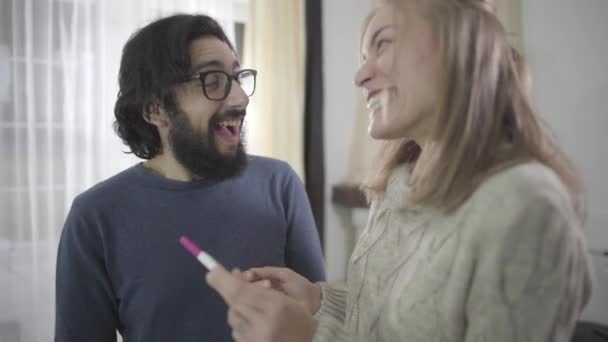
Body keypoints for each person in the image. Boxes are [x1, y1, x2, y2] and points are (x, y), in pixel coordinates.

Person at [206, 0, 593, 341]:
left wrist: (308, 339)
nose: (360, 77)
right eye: (362, 57)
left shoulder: (523, 207)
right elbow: (385, 318)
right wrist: (317, 298)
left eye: (383, 44)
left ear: (457, 45)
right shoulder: (398, 185)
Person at [54, 14, 325, 342]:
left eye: (237, 77)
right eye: (213, 80)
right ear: (155, 109)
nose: (240, 98)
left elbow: (321, 318)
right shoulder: (94, 217)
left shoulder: (279, 185)